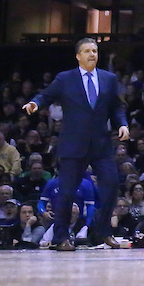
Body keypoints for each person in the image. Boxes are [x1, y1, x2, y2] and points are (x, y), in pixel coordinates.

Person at [23, 37, 128, 251]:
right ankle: (61, 238)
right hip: (73, 144)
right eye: (87, 51)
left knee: (111, 185)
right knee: (67, 192)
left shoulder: (108, 78)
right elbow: (46, 95)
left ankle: (104, 232)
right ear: (78, 56)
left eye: (95, 51)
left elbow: (117, 107)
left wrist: (123, 124)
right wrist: (35, 103)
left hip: (100, 144)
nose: (92, 54)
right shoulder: (65, 78)